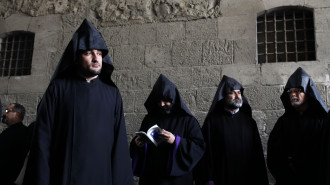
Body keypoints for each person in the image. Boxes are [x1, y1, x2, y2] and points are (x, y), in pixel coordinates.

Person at [23, 19, 134, 185]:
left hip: (101, 177)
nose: (96, 58)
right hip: (64, 176)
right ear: (76, 57)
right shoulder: (58, 89)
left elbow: (119, 146)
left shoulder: (112, 94)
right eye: (88, 53)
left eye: (99, 53)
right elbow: (42, 140)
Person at [130, 74, 205, 185]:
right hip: (152, 178)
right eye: (159, 101)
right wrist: (138, 144)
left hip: (177, 180)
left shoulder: (187, 120)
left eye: (166, 100)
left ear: (173, 99)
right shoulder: (149, 119)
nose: (161, 104)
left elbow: (198, 147)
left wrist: (176, 141)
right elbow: (137, 146)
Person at [195, 75, 269, 185]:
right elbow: (206, 153)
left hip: (247, 178)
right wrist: (208, 179)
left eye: (239, 93)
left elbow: (257, 153)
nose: (237, 96)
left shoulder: (249, 122)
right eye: (232, 93)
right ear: (223, 96)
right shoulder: (212, 122)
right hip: (222, 177)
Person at [267, 67, 329, 185]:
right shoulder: (283, 122)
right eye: (290, 91)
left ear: (308, 93)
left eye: (298, 91)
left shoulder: (322, 121)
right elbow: (273, 154)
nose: (293, 94)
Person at [0, 103, 29, 185]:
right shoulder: (14, 131)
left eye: (7, 111)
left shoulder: (17, 133)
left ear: (17, 114)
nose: (4, 113)